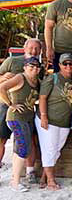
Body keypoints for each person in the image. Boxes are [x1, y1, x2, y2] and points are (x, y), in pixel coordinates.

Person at [35, 53, 72, 190]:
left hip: (64, 122)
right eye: (65, 64)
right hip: (49, 119)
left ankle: (44, 176)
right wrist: (44, 116)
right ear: (60, 65)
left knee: (56, 150)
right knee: (49, 149)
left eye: (71, 64)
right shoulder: (52, 78)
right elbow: (42, 98)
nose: (68, 66)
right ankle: (50, 180)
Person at [0, 38, 43, 179]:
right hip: (5, 105)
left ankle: (30, 171)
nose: (34, 51)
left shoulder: (38, 66)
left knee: (29, 139)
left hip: (26, 110)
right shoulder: (12, 61)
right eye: (31, 47)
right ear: (24, 48)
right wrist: (4, 78)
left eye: (37, 48)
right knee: (2, 139)